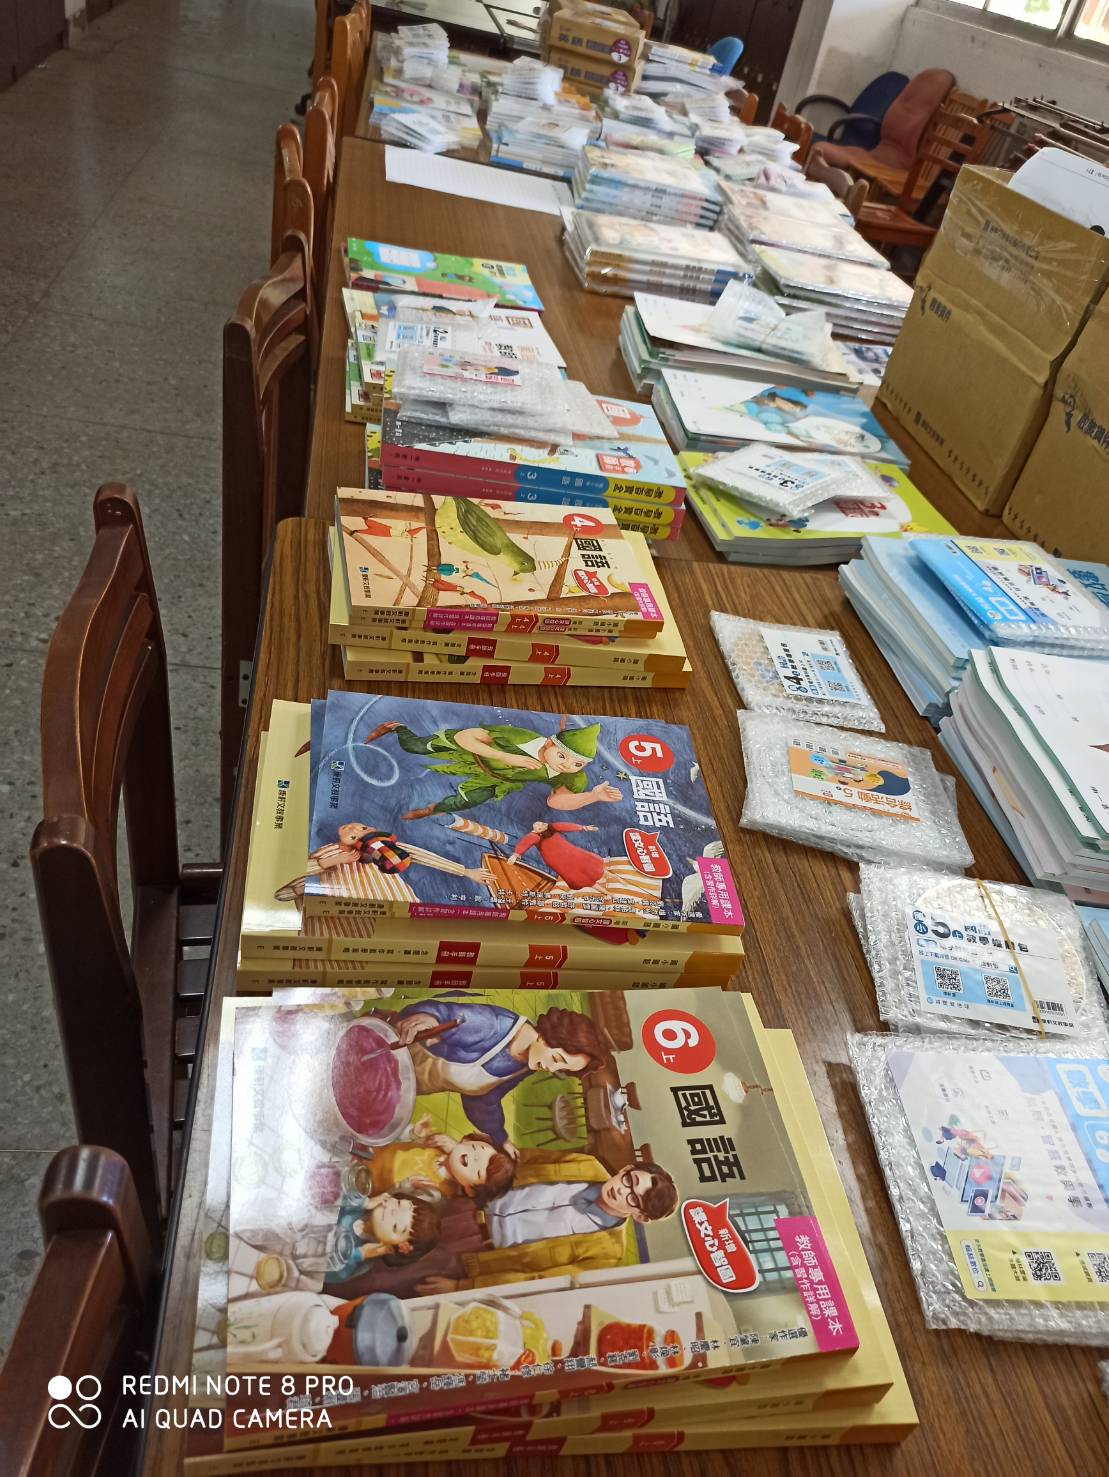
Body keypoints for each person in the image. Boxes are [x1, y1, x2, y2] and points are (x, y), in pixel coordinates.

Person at [415, 1154, 679, 1293]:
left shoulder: (608, 1253)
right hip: (466, 1203)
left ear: (640, 1216)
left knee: (398, 1275)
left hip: (473, 1256)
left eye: (633, 1199)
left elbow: (537, 1280)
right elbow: (520, 1158)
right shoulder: (587, 1164)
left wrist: (463, 1287)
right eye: (630, 1181)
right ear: (626, 1169)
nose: (621, 1190)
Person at [389, 996, 611, 1147]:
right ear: (547, 1037)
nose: (551, 1069)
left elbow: (483, 1101)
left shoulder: (526, 1065)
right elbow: (444, 1014)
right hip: (390, 1054)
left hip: (401, 1087)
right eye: (556, 1059)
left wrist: (500, 1138)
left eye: (562, 1069)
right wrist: (428, 1019)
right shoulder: (492, 1025)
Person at [361, 719, 622, 820]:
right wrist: (507, 757)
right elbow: (465, 737)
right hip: (471, 750)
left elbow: (557, 802)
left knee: (469, 800)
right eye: (562, 755)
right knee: (415, 747)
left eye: (576, 763)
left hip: (498, 778)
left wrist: (593, 796)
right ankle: (398, 728)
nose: (566, 765)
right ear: (549, 743)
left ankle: (432, 809)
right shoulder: (520, 737)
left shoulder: (572, 775)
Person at [363, 1116, 515, 1208]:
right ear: (467, 1140)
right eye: (475, 1148)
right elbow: (398, 1139)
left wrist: (408, 1185)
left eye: (477, 1170)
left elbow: (391, 1206)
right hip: (370, 1148)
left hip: (367, 1182)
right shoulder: (441, 1145)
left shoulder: (436, 1194)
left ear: (470, 1189)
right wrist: (414, 1133)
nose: (473, 1158)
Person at [325, 1191, 440, 1285]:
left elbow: (328, 1274)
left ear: (391, 1248)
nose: (392, 1212)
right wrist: (365, 1203)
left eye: (395, 1226)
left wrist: (359, 1253)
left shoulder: (360, 1256)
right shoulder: (359, 1205)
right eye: (399, 1204)